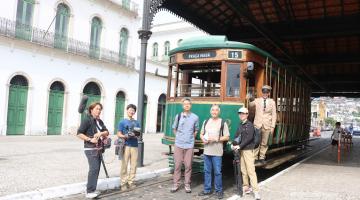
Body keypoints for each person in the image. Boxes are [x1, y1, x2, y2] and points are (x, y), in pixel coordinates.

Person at [77, 102, 109, 199]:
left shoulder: (100, 121)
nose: (98, 111)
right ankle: (89, 191)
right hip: (90, 148)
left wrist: (101, 133)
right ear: (91, 110)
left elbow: (107, 132)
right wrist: (90, 139)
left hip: (99, 148)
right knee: (94, 168)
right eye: (97, 109)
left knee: (97, 169)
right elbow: (79, 133)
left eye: (100, 109)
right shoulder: (87, 120)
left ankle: (93, 189)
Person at [198, 104, 229, 199]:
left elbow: (227, 137)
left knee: (217, 172)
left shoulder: (222, 122)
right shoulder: (206, 121)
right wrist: (203, 138)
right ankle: (207, 190)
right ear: (210, 111)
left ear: (218, 112)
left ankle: (218, 191)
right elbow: (201, 134)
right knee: (207, 171)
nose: (214, 112)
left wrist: (216, 139)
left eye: (216, 110)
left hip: (217, 152)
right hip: (207, 151)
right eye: (213, 110)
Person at [170, 97, 199, 193]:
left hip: (189, 145)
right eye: (185, 104)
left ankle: (187, 184)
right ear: (182, 105)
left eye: (188, 104)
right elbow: (174, 128)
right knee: (177, 165)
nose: (186, 105)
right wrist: (178, 137)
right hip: (178, 144)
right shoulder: (178, 116)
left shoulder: (195, 117)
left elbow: (196, 130)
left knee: (188, 165)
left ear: (191, 105)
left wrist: (190, 138)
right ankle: (176, 184)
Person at [232, 107, 261, 200]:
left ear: (247, 115)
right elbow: (236, 136)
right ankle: (246, 187)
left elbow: (248, 139)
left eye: (243, 113)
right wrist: (233, 144)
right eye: (240, 113)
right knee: (243, 170)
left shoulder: (250, 125)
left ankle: (256, 191)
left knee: (250, 170)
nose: (241, 115)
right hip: (242, 150)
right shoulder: (240, 125)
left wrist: (239, 146)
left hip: (248, 150)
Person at [250, 85, 277, 164]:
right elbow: (250, 104)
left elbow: (274, 115)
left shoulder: (272, 102)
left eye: (267, 92)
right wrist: (250, 98)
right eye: (264, 92)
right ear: (262, 92)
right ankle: (254, 157)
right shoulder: (257, 100)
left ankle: (262, 157)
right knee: (256, 141)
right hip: (257, 124)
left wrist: (272, 126)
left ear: (269, 93)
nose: (265, 93)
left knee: (264, 143)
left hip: (267, 125)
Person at [117, 104, 141, 191]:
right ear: (127, 110)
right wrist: (125, 136)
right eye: (130, 109)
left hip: (134, 146)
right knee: (124, 165)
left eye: (133, 110)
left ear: (135, 112)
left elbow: (138, 135)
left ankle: (131, 182)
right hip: (126, 145)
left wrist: (135, 135)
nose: (132, 111)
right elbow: (118, 133)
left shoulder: (137, 122)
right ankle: (123, 183)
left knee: (134, 165)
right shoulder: (122, 122)